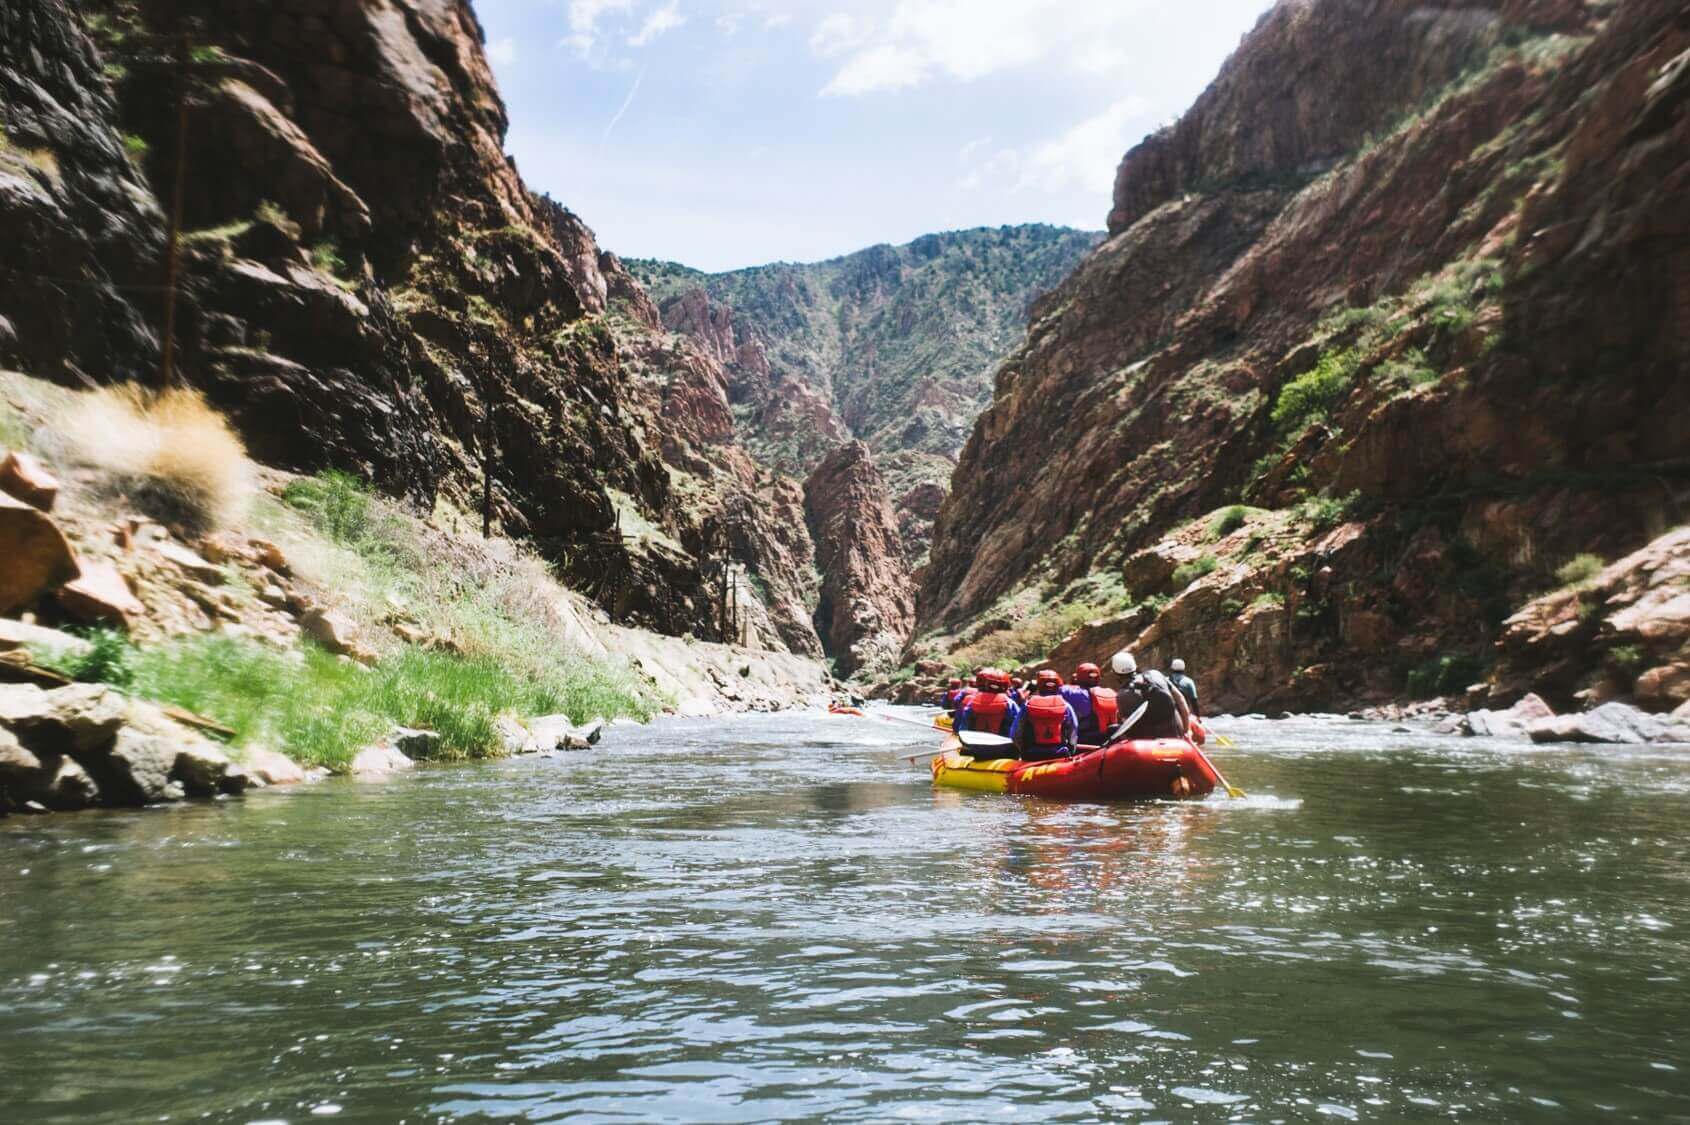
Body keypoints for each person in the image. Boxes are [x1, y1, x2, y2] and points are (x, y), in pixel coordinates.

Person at [1106, 651, 1191, 741]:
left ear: (1115, 673)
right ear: (1135, 666)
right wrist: (1186, 730)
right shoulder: (1156, 674)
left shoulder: (1122, 695)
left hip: (1148, 743)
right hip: (1176, 735)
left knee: (1112, 729)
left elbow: (1126, 728)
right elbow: (1181, 700)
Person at [1014, 669, 1078, 761]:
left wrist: (1022, 750)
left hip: (1031, 754)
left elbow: (1016, 733)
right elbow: (1073, 730)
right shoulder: (1066, 706)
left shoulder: (1027, 705)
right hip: (1059, 754)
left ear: (1039, 686)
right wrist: (1072, 750)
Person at [1061, 662, 1119, 745]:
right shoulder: (1112, 692)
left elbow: (1054, 687)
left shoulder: (1073, 694)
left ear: (1079, 678)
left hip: (1086, 742)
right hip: (1109, 738)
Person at [956, 668, 1020, 741]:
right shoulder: (1010, 703)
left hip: (973, 742)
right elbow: (1018, 724)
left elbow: (963, 722)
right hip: (1001, 743)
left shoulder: (972, 700)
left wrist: (963, 739)